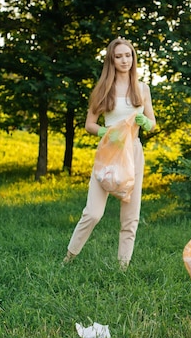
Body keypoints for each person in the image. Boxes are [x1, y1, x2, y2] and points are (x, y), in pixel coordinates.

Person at [63, 38, 156, 269]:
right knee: (93, 213)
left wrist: (146, 122)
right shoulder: (104, 88)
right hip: (109, 153)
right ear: (111, 60)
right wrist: (106, 132)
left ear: (133, 58)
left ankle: (122, 268)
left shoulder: (142, 88)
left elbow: (153, 123)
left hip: (133, 152)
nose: (124, 60)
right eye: (119, 56)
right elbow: (89, 124)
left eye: (128, 55)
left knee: (130, 216)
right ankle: (68, 259)